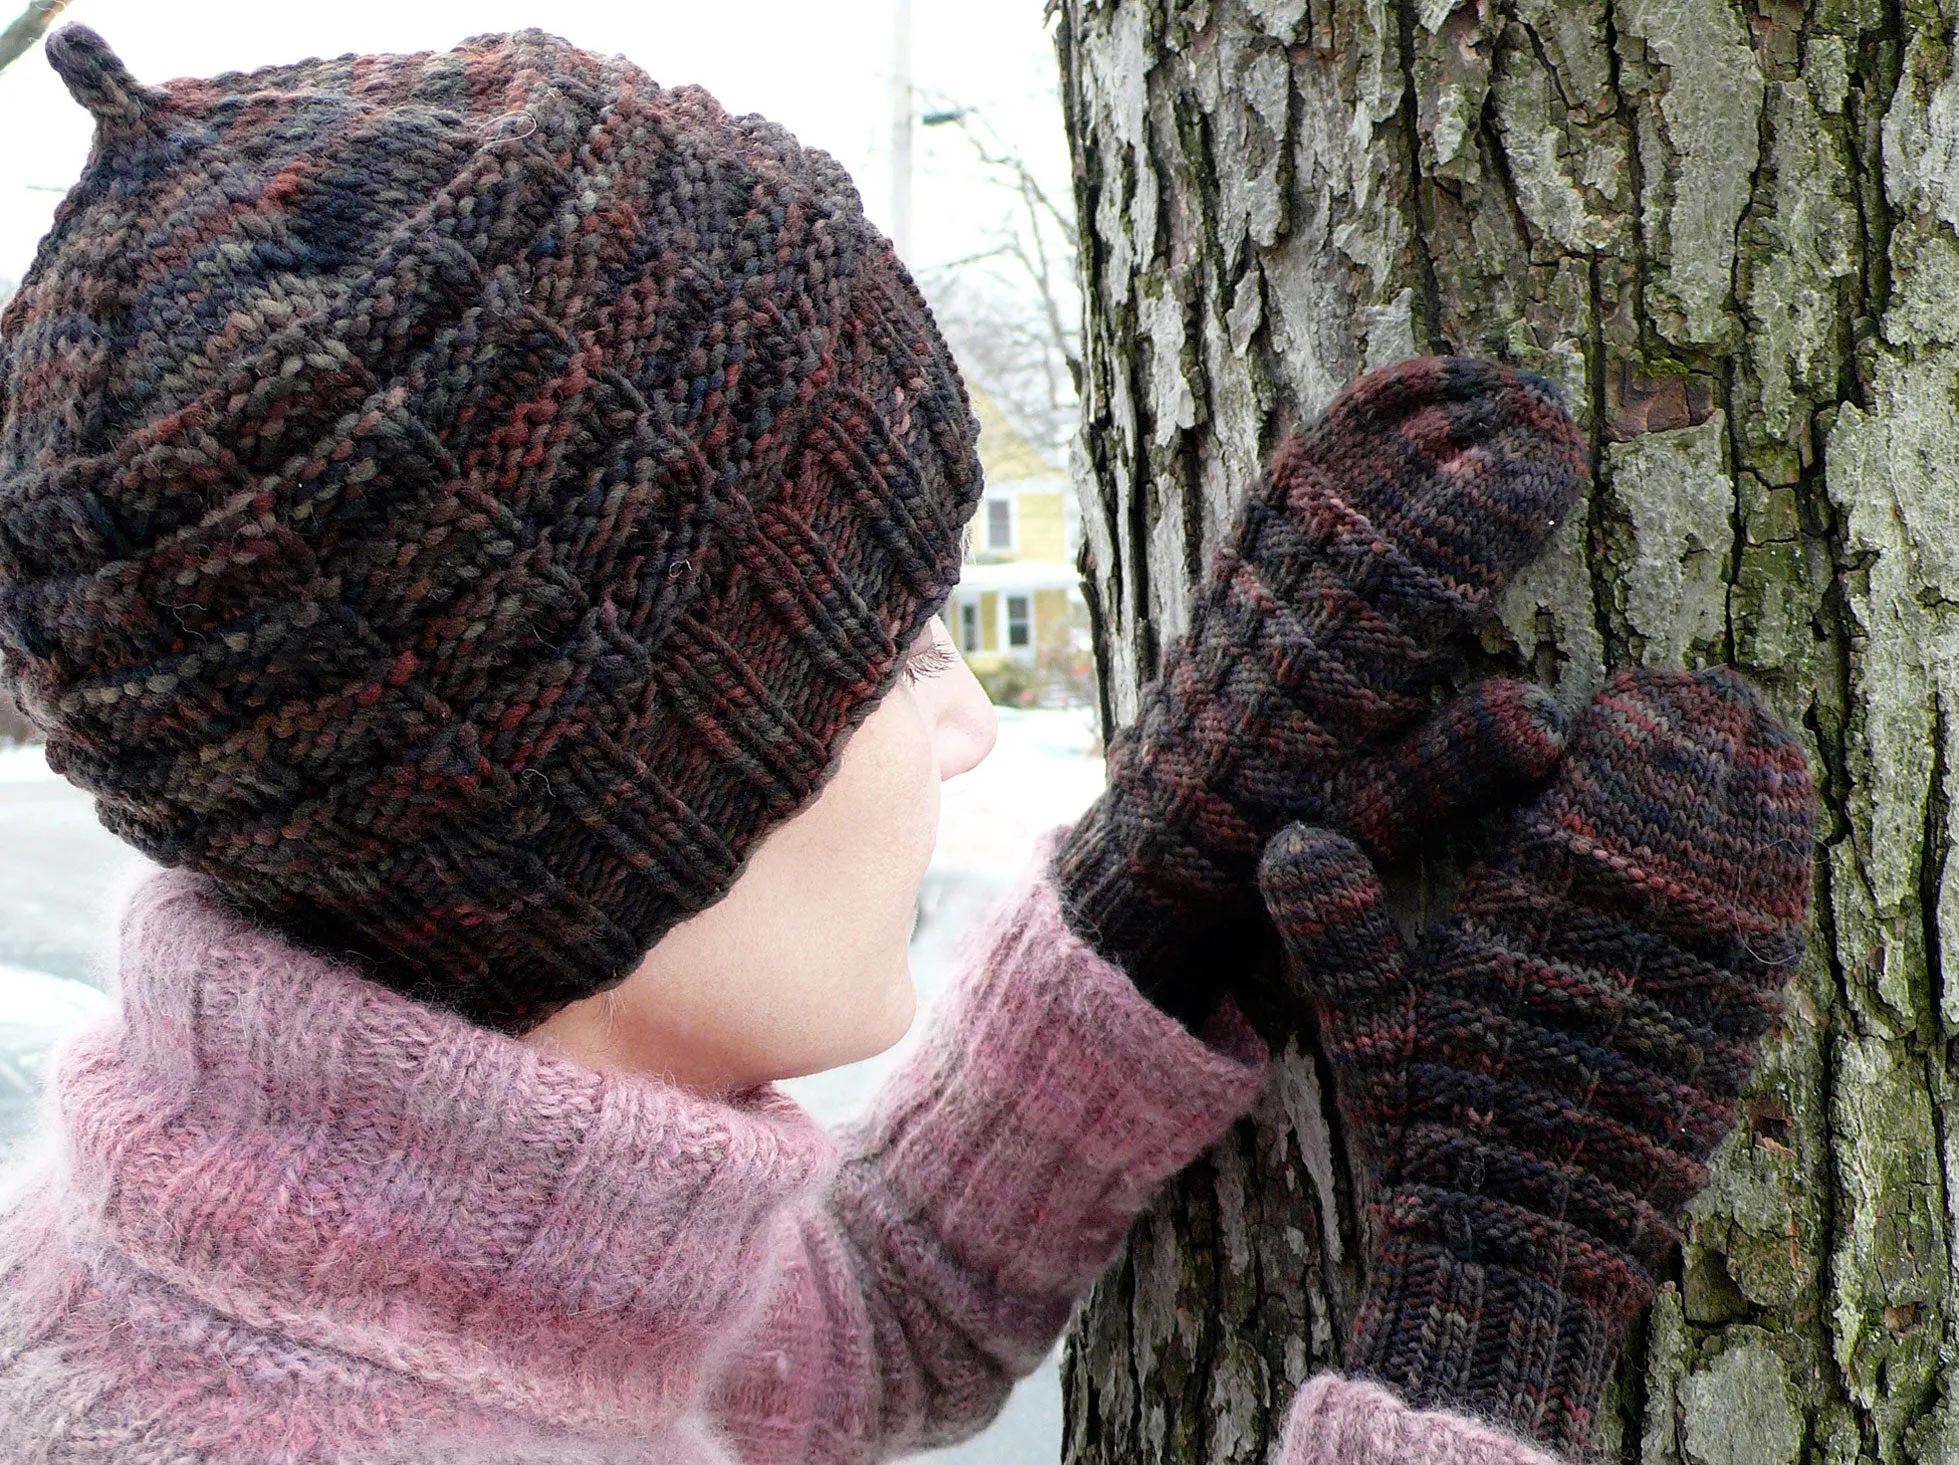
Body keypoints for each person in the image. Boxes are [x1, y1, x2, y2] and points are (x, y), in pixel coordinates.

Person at [0, 24, 1814, 1465]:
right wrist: (1478, 1352)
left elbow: (823, 1342)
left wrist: (1144, 896)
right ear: (611, 790)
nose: (962, 728)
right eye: (888, 650)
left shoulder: (280, 1275)